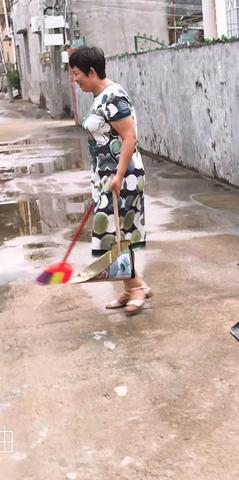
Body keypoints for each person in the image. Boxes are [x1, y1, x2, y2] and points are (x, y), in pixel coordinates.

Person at [69, 46, 151, 315]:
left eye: (77, 73)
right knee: (115, 234)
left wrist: (117, 175)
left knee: (115, 234)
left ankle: (136, 287)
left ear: (92, 71)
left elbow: (130, 137)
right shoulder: (100, 96)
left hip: (122, 178)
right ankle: (130, 288)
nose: (75, 79)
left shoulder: (113, 96)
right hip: (108, 178)